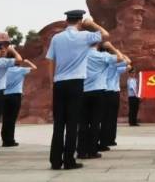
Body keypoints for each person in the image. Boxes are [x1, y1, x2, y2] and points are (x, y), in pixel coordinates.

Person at [46, 9, 109, 170]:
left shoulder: (56, 38)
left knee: (59, 123)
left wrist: (52, 82)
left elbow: (51, 61)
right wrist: (91, 24)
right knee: (72, 123)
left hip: (59, 83)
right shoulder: (84, 36)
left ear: (67, 21)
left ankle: (55, 160)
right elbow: (105, 35)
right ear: (80, 22)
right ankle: (68, 160)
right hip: (76, 83)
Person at [78, 41, 126, 159]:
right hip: (98, 91)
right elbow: (121, 59)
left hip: (83, 91)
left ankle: (81, 151)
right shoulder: (102, 56)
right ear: (98, 44)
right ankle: (92, 150)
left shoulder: (80, 55)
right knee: (95, 122)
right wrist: (111, 47)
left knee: (83, 123)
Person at [1, 55, 37, 147]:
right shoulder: (20, 70)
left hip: (4, 95)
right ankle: (10, 140)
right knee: (12, 119)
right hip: (15, 96)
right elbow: (34, 68)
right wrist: (27, 61)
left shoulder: (4, 70)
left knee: (5, 118)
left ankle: (4, 139)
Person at [100, 56, 129, 150]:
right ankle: (110, 139)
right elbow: (128, 62)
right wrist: (116, 51)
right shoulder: (114, 65)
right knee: (111, 118)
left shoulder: (103, 64)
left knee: (105, 118)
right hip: (112, 92)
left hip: (104, 91)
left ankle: (105, 139)